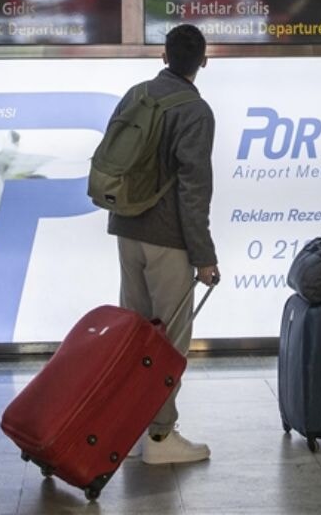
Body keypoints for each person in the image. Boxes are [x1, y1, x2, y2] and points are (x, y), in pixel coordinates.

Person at [107, 24, 220, 465]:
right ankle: (160, 436)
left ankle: (130, 426)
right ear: (203, 60)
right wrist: (204, 257)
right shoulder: (195, 111)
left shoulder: (136, 94)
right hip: (167, 240)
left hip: (127, 230)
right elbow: (194, 191)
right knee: (169, 344)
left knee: (134, 337)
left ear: (163, 55)